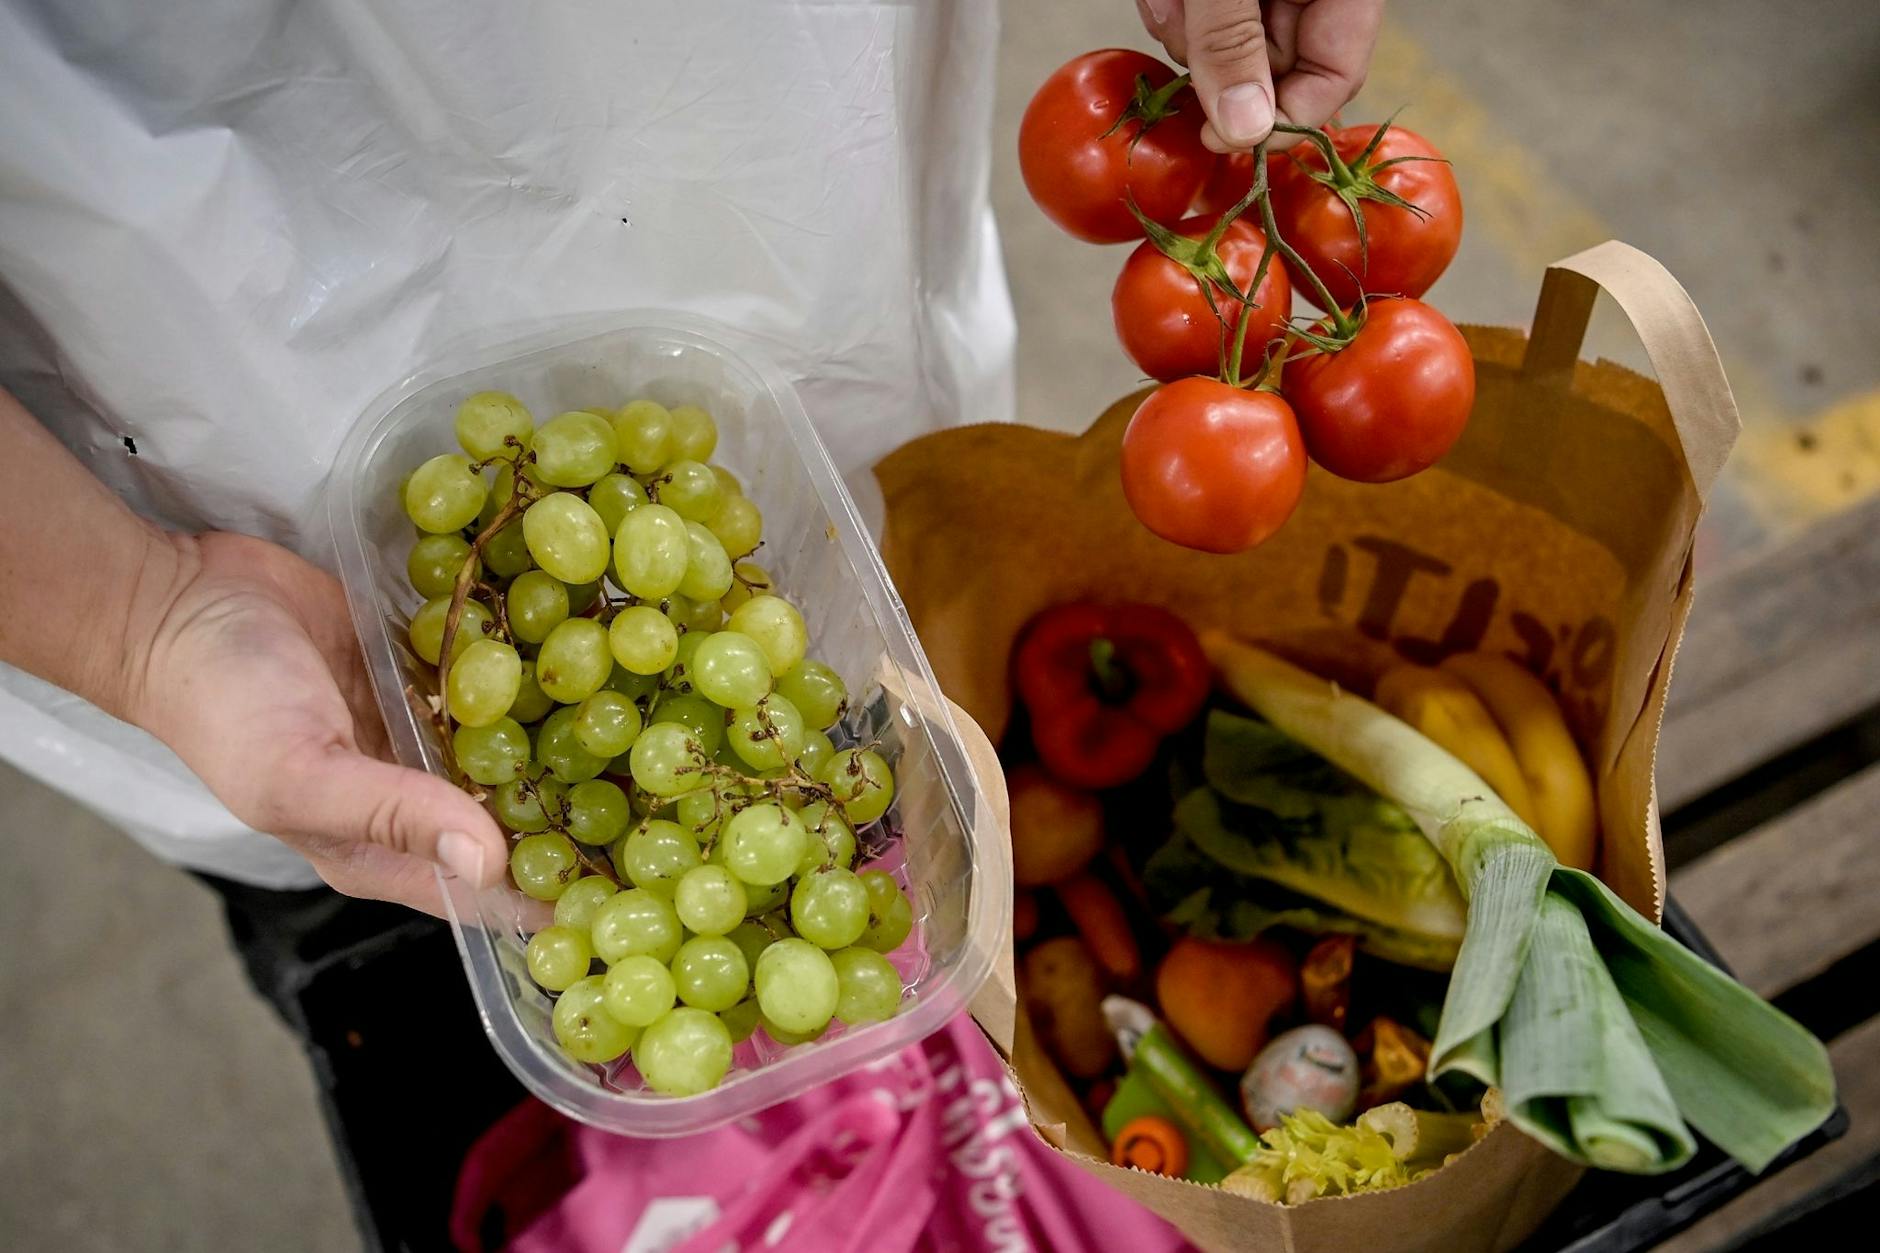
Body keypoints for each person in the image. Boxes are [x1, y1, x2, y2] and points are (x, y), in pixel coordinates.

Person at [0, 0, 1380, 911]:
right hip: (210, 476)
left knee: (872, 607)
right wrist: (136, 619)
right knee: (408, 865)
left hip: (798, 181)